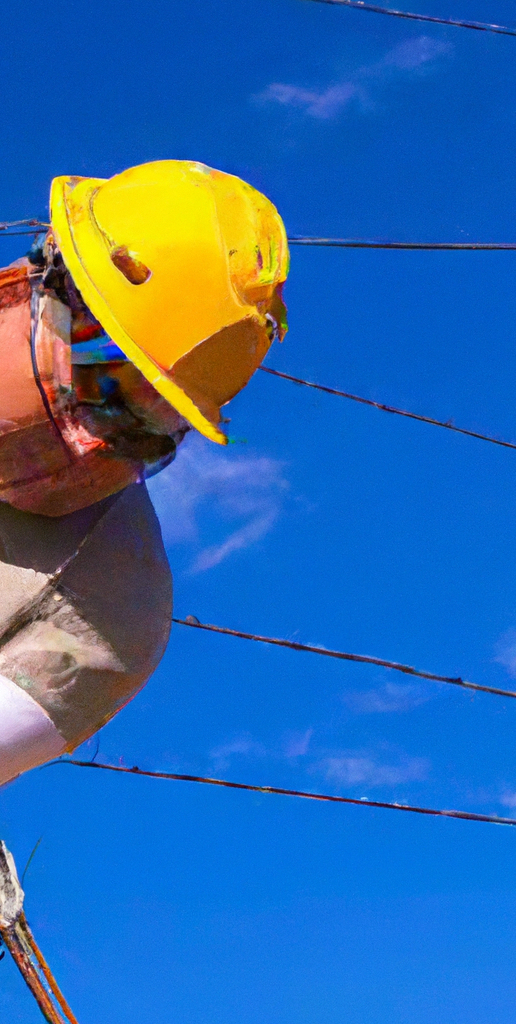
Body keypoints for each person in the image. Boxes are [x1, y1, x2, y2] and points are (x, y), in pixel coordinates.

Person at [0, 160, 289, 784]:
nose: (88, 438)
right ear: (40, 276)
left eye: (141, 419)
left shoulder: (112, 608)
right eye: (101, 363)